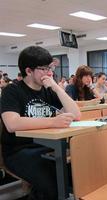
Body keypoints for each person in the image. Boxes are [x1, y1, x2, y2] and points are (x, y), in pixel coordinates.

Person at [0, 46, 81, 200]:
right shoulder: (11, 91)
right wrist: (53, 121)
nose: (49, 73)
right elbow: (12, 123)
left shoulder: (48, 90)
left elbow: (76, 115)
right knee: (51, 184)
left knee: (75, 173)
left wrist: (57, 88)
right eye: (43, 69)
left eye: (49, 68)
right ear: (29, 71)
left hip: (49, 147)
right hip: (19, 151)